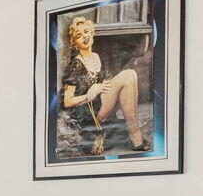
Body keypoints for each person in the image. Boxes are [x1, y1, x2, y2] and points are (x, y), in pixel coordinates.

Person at [59, 15, 150, 155]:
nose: (84, 36)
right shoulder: (75, 64)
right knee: (127, 75)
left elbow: (105, 82)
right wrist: (89, 93)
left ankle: (135, 133)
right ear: (74, 43)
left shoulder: (96, 56)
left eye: (86, 31)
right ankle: (135, 136)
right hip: (88, 111)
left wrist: (97, 86)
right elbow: (67, 101)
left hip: (99, 102)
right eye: (78, 35)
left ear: (91, 32)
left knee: (131, 74)